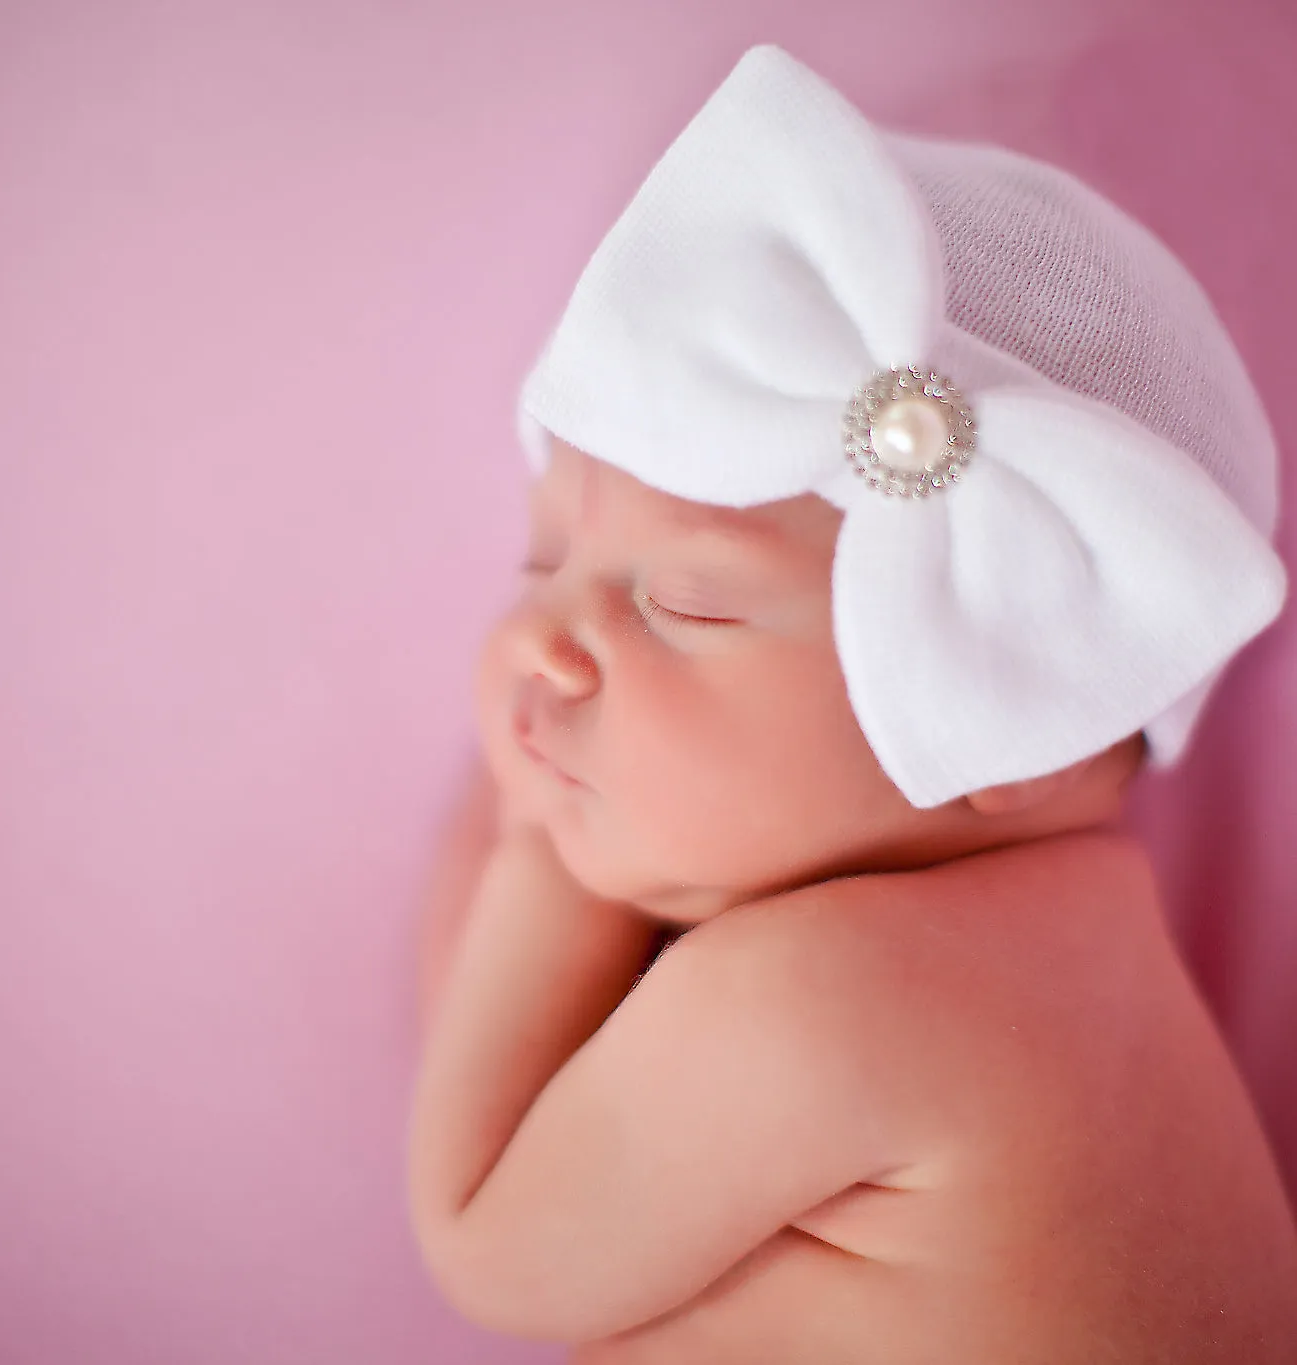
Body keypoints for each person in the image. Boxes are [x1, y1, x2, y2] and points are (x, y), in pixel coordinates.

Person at [407, 45, 1297, 1362]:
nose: (541, 641)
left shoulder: (816, 1003)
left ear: (1018, 724)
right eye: (546, 561)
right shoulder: (1085, 967)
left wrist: (537, 843)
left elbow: (484, 1231)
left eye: (687, 605)